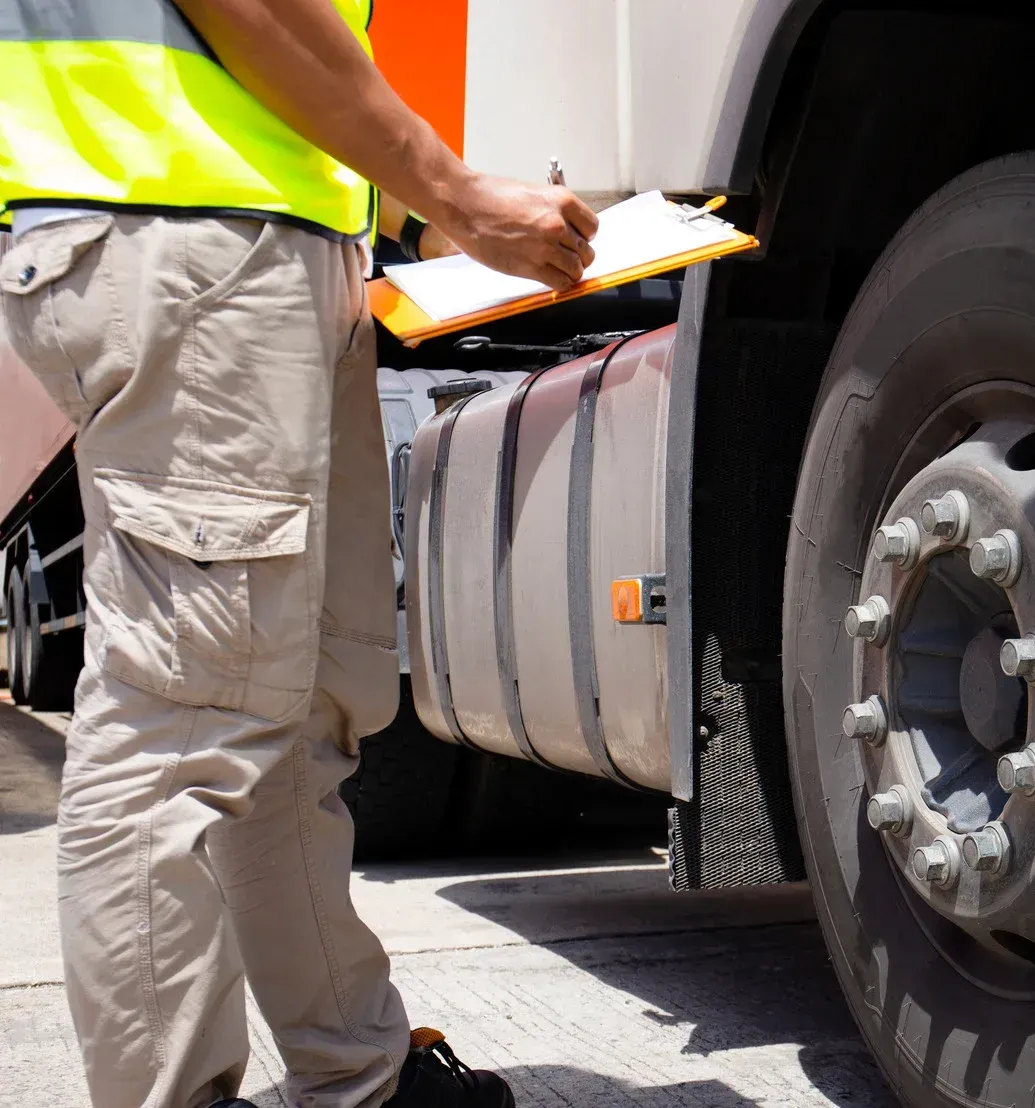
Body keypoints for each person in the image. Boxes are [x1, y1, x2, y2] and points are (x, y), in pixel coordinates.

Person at [0, 1, 599, 1105]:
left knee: (294, 705)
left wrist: (413, 214)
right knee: (185, 720)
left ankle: (353, 1075)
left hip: (252, 239)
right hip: (181, 227)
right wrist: (454, 193)